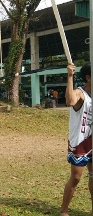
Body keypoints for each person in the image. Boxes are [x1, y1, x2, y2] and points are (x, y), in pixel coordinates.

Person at [60, 62, 93, 216]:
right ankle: (64, 211)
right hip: (80, 142)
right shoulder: (81, 93)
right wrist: (69, 76)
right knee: (76, 177)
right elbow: (70, 101)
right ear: (88, 78)